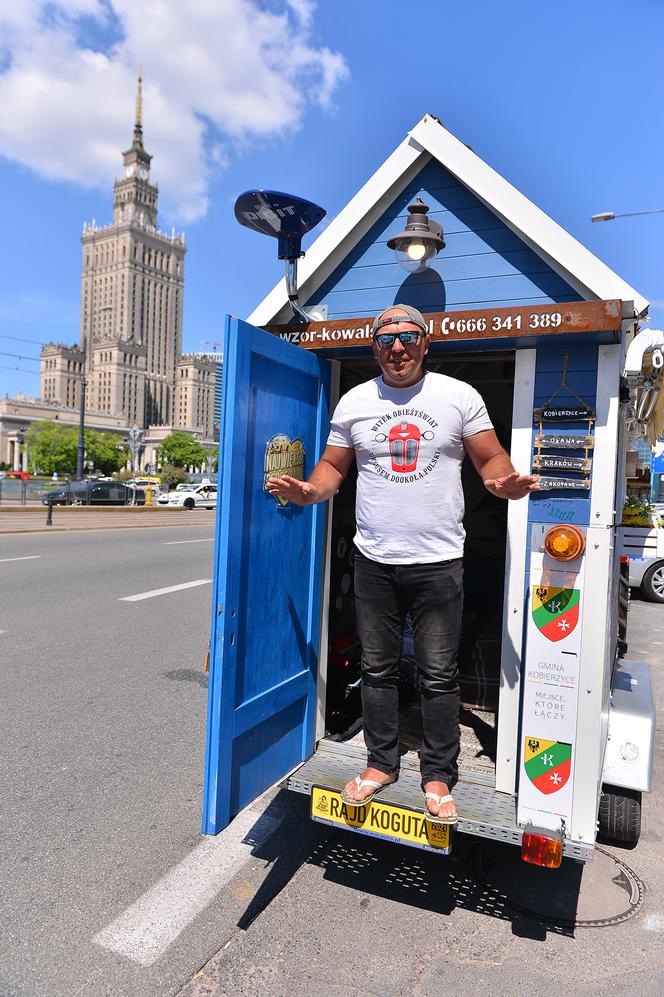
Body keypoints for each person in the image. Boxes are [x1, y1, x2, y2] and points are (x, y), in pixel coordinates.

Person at [266, 304, 538, 825]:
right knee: (378, 669)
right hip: (375, 561)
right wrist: (309, 491)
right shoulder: (354, 401)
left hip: (439, 562)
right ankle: (380, 763)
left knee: (438, 675)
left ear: (426, 342)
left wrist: (501, 481)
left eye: (408, 337)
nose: (397, 347)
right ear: (374, 347)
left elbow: (489, 457)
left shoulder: (459, 396)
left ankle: (438, 773)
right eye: (386, 339)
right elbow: (330, 467)